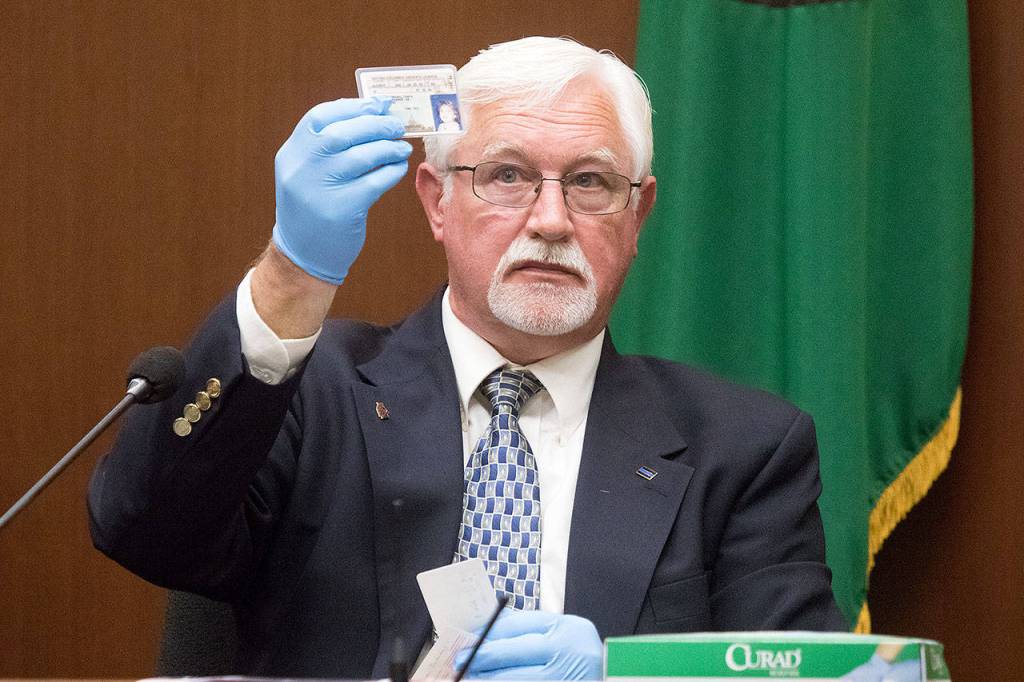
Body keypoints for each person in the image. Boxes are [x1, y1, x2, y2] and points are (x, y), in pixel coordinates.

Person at [88, 36, 846, 680]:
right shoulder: (306, 394)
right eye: (507, 175)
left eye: (589, 183)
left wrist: (631, 672)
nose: (550, 220)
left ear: (638, 214)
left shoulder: (745, 448)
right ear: (436, 200)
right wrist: (291, 273)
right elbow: (143, 528)